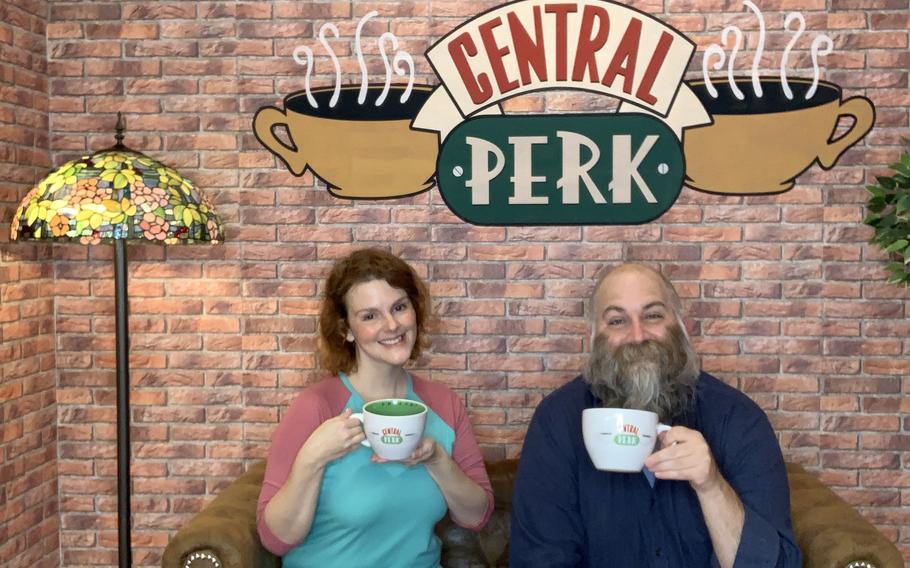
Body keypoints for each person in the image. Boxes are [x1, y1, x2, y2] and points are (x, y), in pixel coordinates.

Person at [510, 263, 801, 568]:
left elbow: (776, 565)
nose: (638, 336)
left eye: (653, 316)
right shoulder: (557, 422)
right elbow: (539, 559)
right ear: (592, 337)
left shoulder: (737, 418)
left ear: (682, 326)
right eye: (617, 320)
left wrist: (711, 486)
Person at [257, 248, 493, 567]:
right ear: (346, 330)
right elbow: (276, 539)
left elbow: (476, 516)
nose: (392, 324)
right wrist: (312, 458)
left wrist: (437, 460)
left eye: (399, 307)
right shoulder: (316, 407)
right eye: (370, 316)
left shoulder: (443, 403)